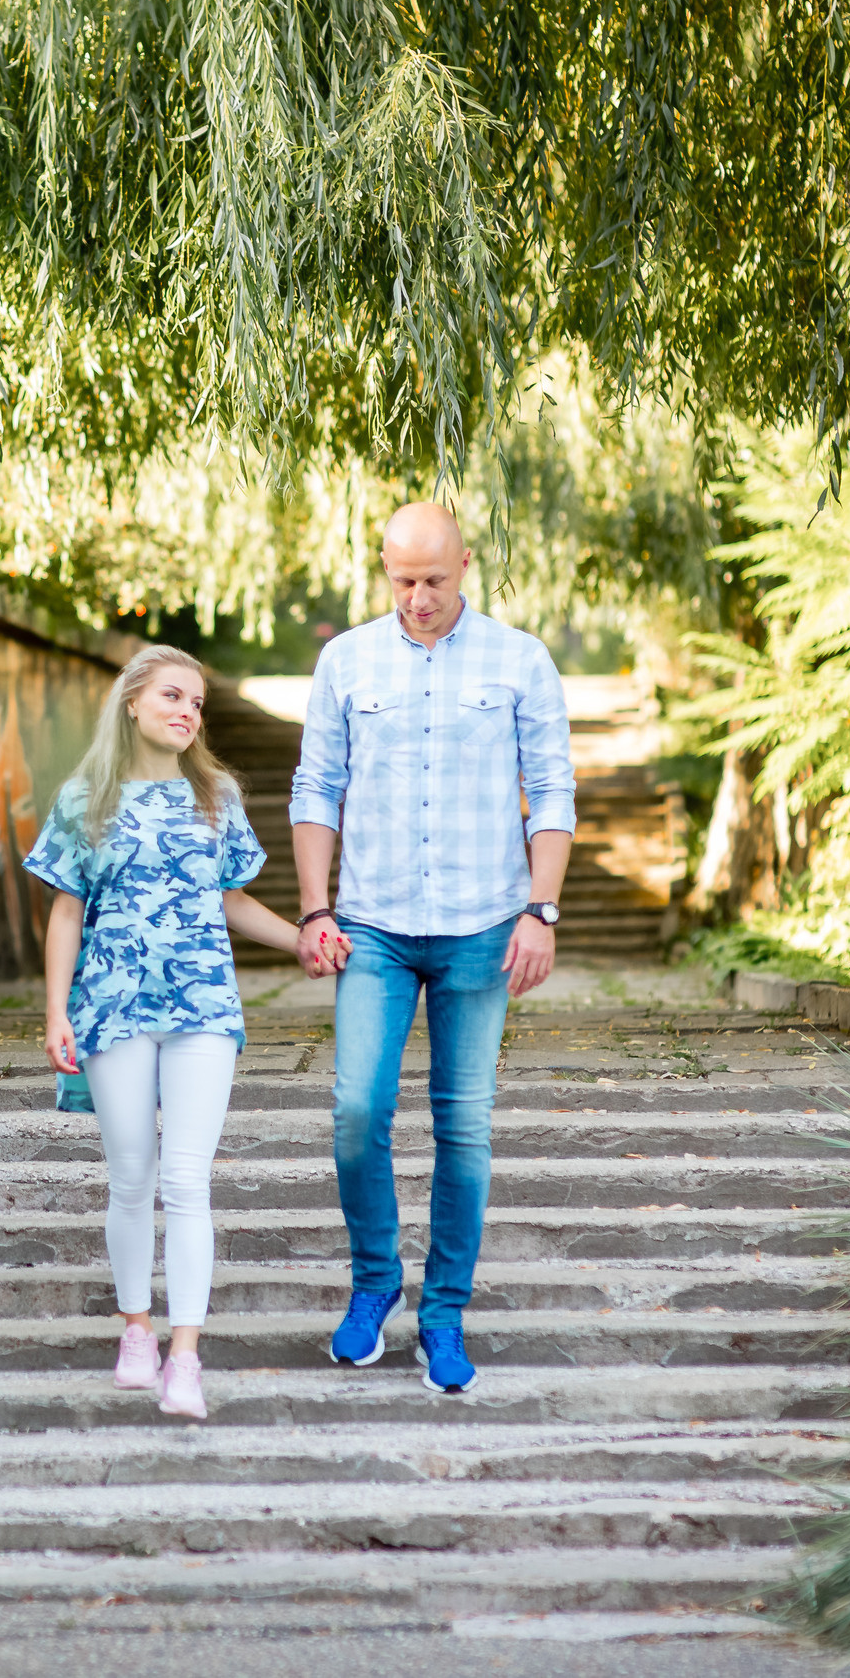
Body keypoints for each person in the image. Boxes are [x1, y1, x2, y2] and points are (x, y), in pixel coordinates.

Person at [289, 502, 575, 1395]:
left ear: (465, 566)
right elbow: (317, 785)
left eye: (434, 581)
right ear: (385, 571)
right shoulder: (346, 661)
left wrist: (542, 910)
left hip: (484, 926)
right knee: (356, 1112)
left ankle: (444, 1312)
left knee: (466, 1125)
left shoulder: (520, 658)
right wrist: (312, 908)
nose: (418, 598)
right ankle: (375, 1283)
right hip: (371, 924)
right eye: (402, 580)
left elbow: (554, 789)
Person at [24, 645, 310, 1420]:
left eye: (197, 702)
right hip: (112, 1005)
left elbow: (233, 900)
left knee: (187, 1179)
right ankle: (136, 1331)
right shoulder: (86, 796)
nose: (188, 711)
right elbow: (65, 912)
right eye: (173, 696)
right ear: (132, 702)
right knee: (131, 1175)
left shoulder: (215, 794)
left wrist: (302, 941)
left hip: (203, 1007)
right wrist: (56, 1011)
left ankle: (186, 1355)